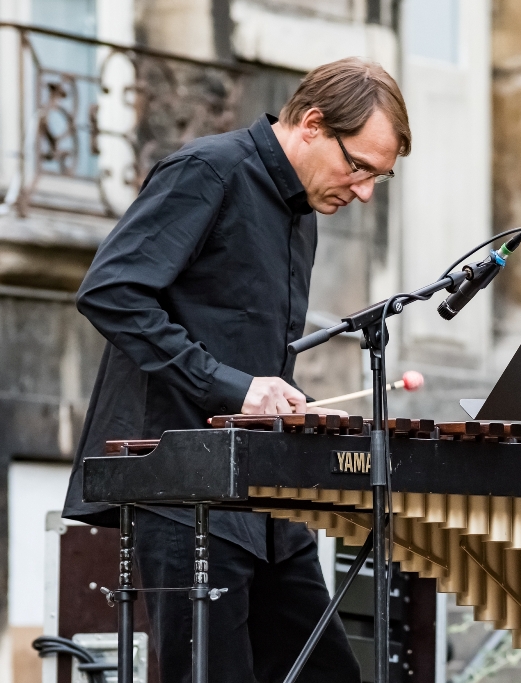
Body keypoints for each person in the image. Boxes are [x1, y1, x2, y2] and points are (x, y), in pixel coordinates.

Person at [61, 57, 412, 682]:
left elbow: (247, 347)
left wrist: (289, 401)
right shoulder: (207, 171)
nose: (362, 192)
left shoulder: (301, 213)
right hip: (181, 489)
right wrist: (234, 387)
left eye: (376, 180)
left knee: (329, 674)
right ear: (311, 123)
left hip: (260, 491)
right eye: (358, 166)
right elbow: (112, 291)